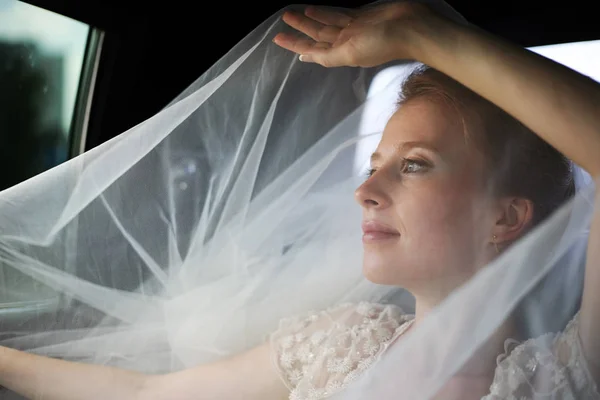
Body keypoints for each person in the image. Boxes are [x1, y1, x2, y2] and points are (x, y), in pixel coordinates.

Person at [1, 1, 599, 399]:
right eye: (374, 167)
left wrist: (426, 35)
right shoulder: (338, 344)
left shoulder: (567, 376)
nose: (365, 192)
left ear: (506, 215)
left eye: (414, 165)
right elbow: (147, 395)